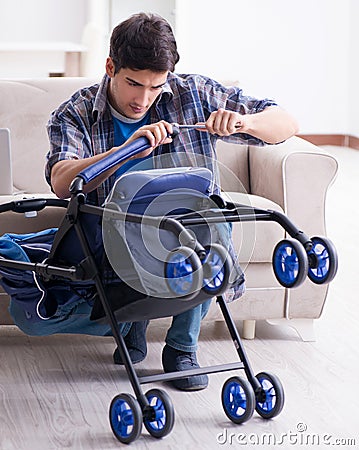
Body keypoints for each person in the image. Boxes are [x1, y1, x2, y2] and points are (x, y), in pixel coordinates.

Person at [43, 12, 298, 391]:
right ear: (110, 66)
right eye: (134, 84)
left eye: (155, 87)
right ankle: (133, 326)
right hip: (116, 228)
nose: (143, 99)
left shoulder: (192, 93)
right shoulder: (76, 112)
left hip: (187, 225)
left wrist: (243, 123)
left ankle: (182, 346)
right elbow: (62, 182)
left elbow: (286, 123)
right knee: (147, 230)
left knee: (210, 220)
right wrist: (124, 151)